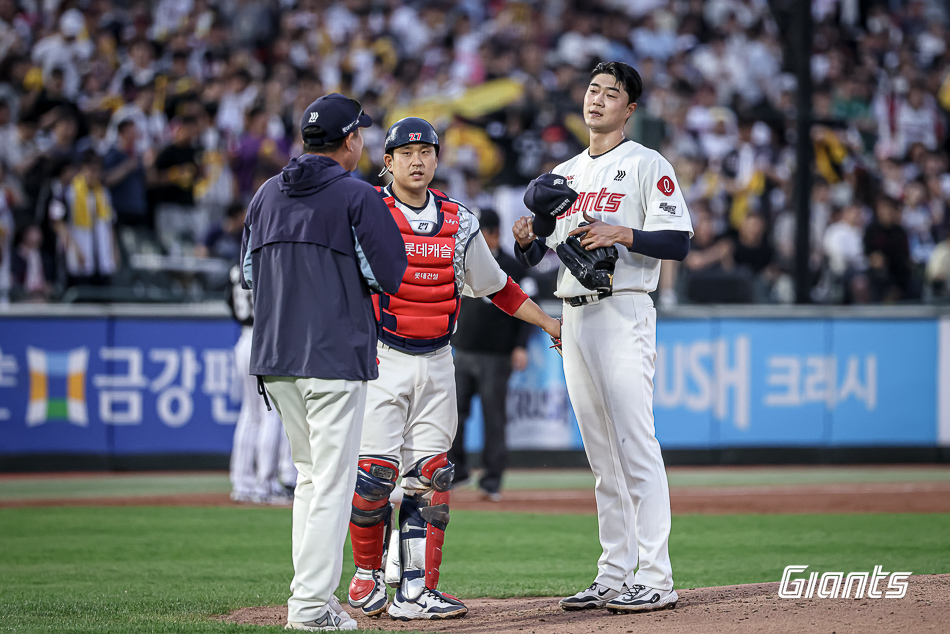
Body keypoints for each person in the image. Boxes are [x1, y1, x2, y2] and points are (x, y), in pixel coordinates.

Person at [346, 117, 561, 622]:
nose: (417, 160)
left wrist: (549, 323)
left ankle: (417, 591)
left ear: (437, 159)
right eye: (406, 153)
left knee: (431, 476)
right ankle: (366, 574)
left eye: (426, 151)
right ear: (388, 162)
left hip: (440, 359)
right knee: (374, 476)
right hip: (382, 358)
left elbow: (498, 286)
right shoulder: (365, 211)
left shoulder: (459, 220)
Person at [513, 61, 693, 614]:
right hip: (574, 315)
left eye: (611, 93)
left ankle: (656, 576)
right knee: (600, 456)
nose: (597, 99)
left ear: (629, 109)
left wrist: (625, 232)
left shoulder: (646, 163)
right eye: (593, 90)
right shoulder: (565, 173)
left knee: (635, 444)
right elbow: (543, 253)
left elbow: (678, 241)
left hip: (623, 309)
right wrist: (527, 240)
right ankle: (614, 573)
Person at [240, 93, 407, 632]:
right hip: (333, 353)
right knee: (331, 483)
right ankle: (310, 608)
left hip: (276, 356)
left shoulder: (265, 194)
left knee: (311, 479)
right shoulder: (357, 195)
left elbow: (248, 276)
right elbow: (389, 275)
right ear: (351, 140)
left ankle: (312, 597)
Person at [448, 207, 538, 501]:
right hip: (462, 350)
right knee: (452, 415)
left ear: (493, 233)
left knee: (493, 417)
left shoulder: (513, 266)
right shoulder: (462, 261)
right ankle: (457, 471)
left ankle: (491, 480)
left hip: (496, 356)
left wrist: (521, 345)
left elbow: (528, 305)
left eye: (478, 233)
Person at [227, 264, 296, 506]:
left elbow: (230, 304)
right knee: (271, 414)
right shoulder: (269, 260)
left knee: (250, 413)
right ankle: (265, 484)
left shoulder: (238, 266)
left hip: (244, 339)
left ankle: (242, 482)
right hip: (265, 340)